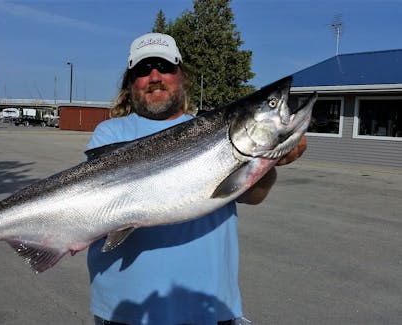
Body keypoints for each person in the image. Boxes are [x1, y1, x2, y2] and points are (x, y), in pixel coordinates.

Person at [86, 33, 306, 325]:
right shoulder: (111, 135)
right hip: (128, 309)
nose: (154, 76)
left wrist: (269, 161)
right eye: (143, 69)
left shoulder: (217, 129)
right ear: (131, 82)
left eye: (164, 66)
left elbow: (253, 194)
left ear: (181, 75)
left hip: (209, 306)